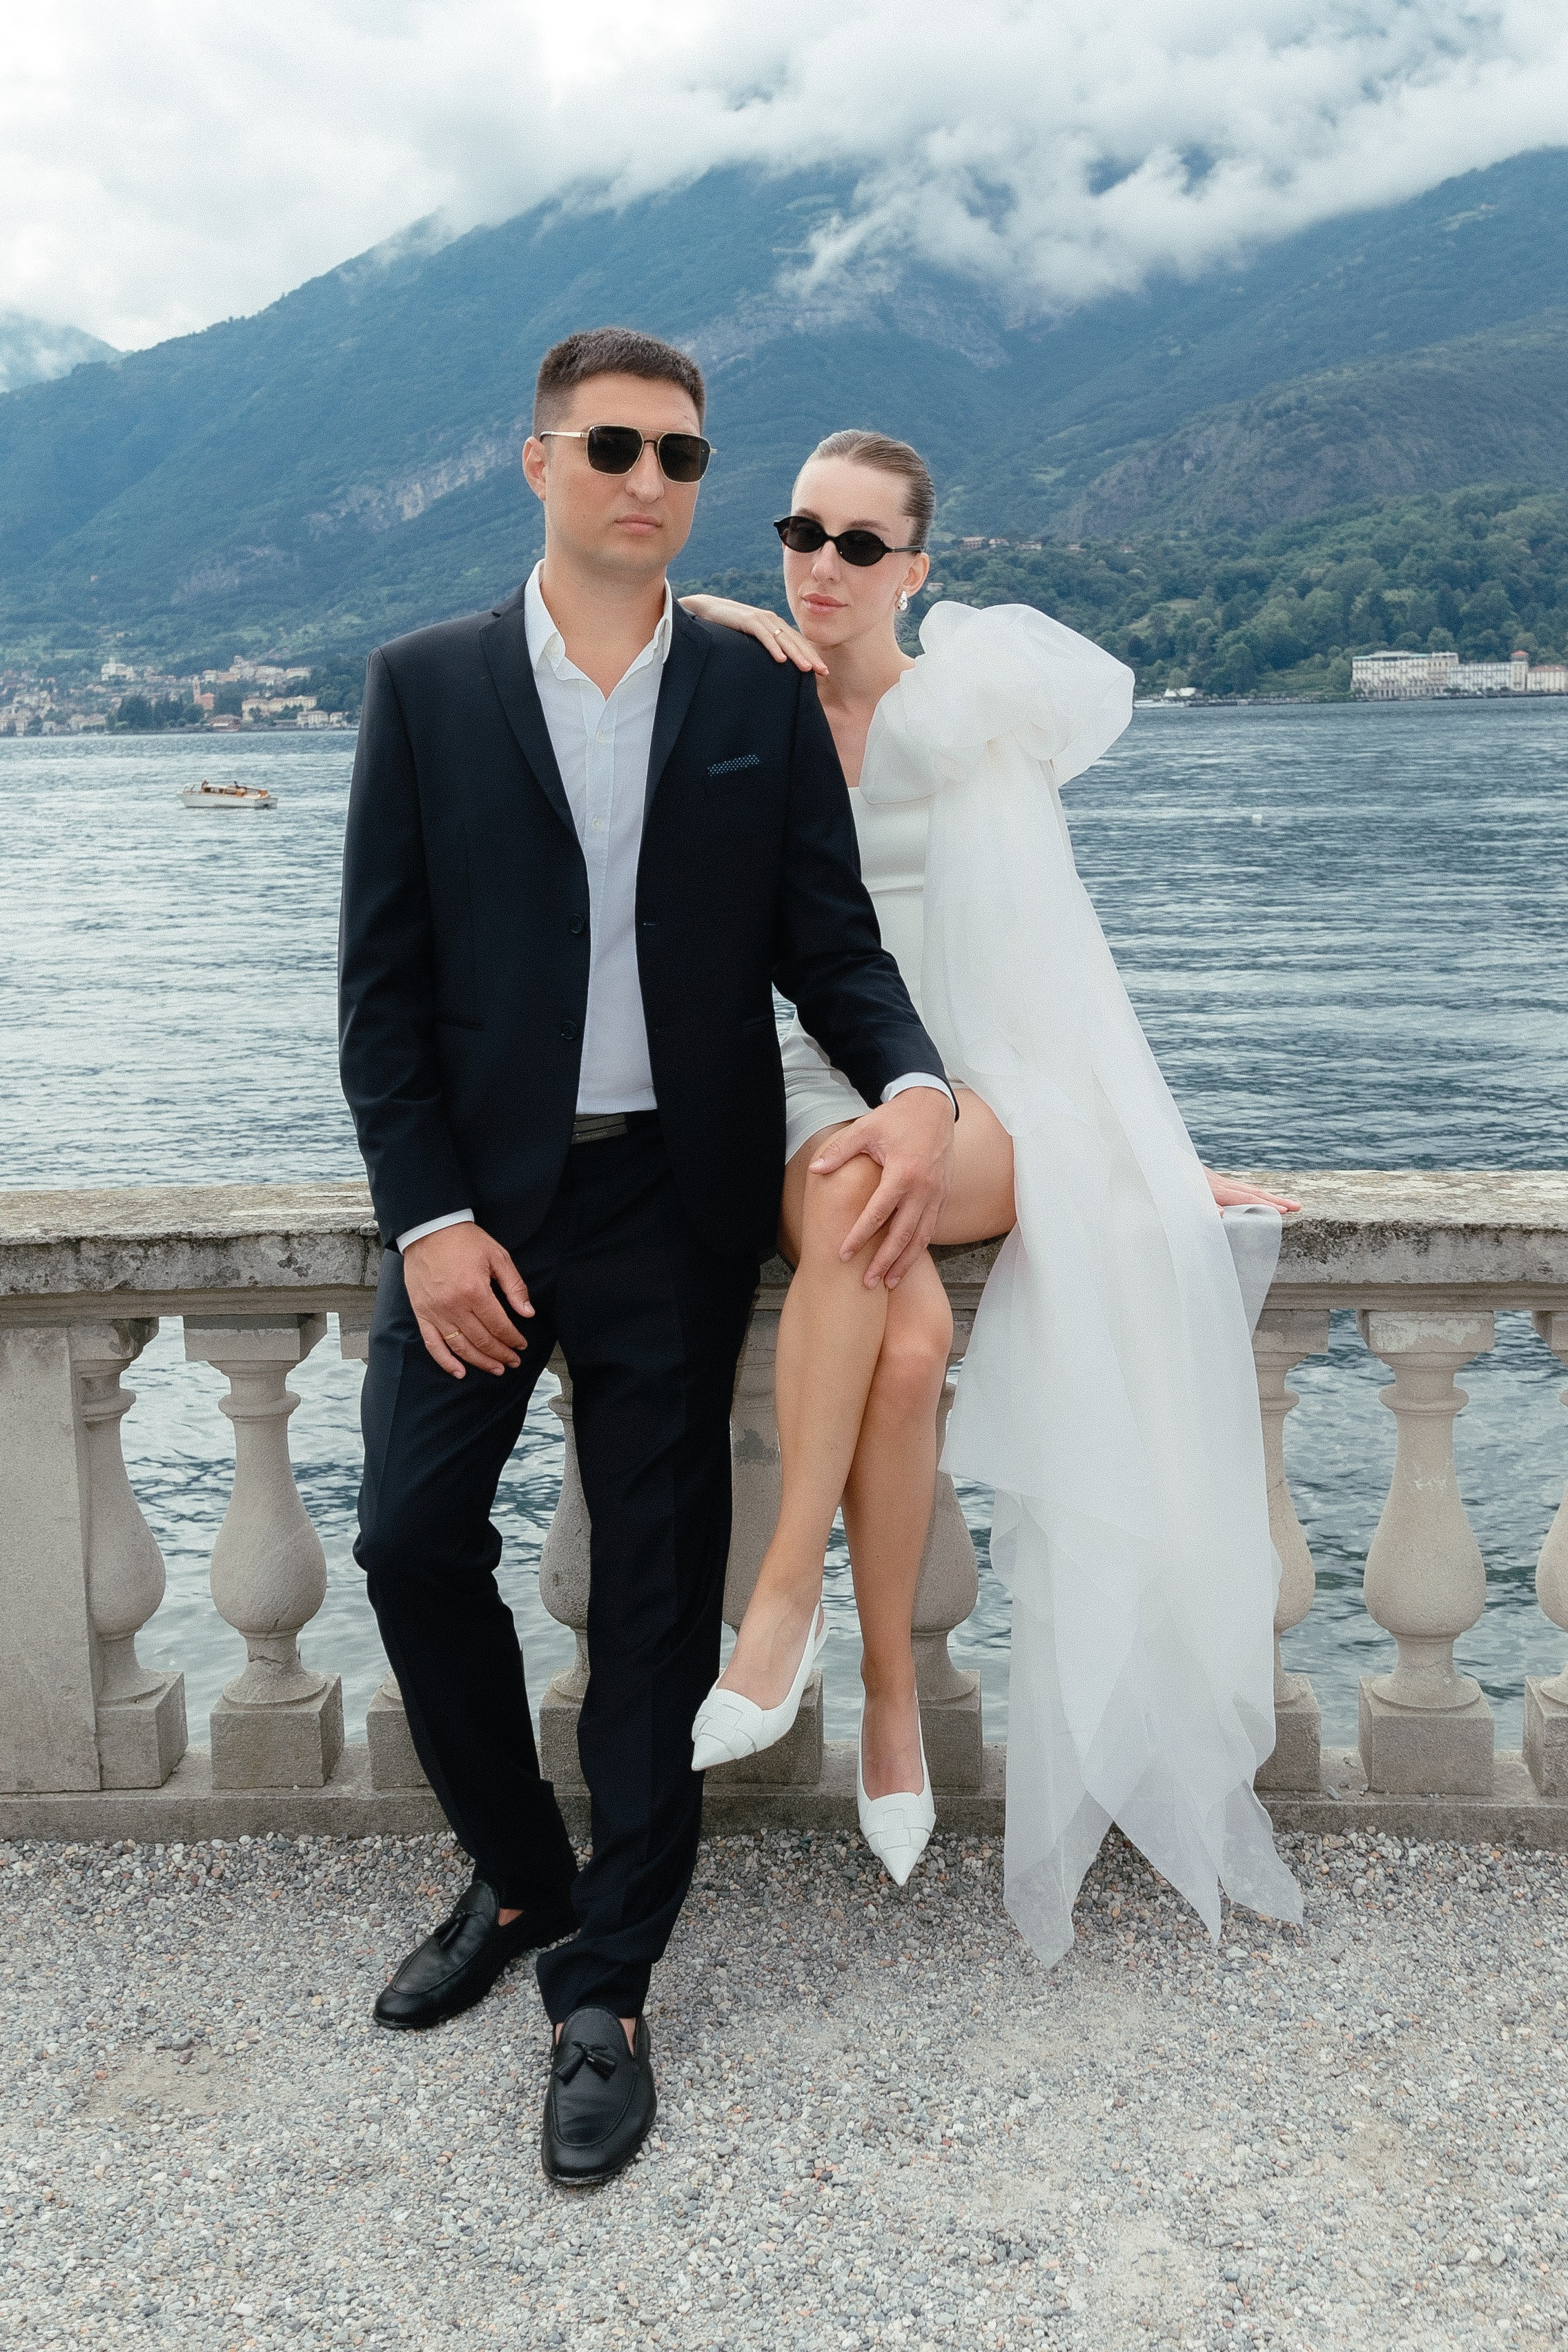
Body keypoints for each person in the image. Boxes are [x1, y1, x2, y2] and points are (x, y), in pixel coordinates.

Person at [338, 340, 958, 2188]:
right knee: (407, 1539)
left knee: (656, 1602)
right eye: (611, 445)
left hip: (671, 1205)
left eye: (681, 455)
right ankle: (523, 1875)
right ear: (536, 462)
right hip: (479, 1209)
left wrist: (916, 1087)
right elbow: (380, 996)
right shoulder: (424, 685)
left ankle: (606, 1988)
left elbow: (829, 948)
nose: (647, 477)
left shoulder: (756, 691)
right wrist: (430, 1221)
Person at [683, 429, 1305, 1957]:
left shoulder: (966, 711)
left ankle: (781, 1602)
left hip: (975, 1096)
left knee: (865, 1189)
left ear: (914, 567)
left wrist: (1142, 1148)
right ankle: (890, 1694)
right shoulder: (739, 692)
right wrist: (709, 613)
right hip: (803, 1083)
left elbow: (1056, 954)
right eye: (801, 534)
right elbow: (599, 627)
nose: (823, 567)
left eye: (860, 545)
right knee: (901, 1346)